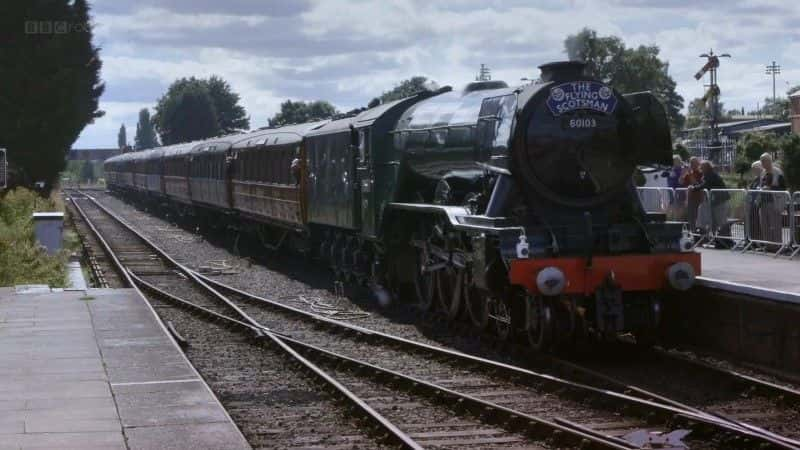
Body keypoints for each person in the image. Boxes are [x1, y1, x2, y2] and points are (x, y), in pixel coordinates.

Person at [690, 160, 730, 247]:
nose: (701, 168)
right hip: (714, 201)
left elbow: (706, 185)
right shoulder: (706, 175)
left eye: (702, 167)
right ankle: (717, 240)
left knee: (721, 221)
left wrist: (694, 188)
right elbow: (703, 185)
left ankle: (726, 241)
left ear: (707, 167)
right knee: (715, 222)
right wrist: (695, 186)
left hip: (720, 201)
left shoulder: (711, 175)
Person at [756, 153, 787, 247]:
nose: (762, 163)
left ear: (769, 161)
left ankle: (777, 246)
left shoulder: (778, 172)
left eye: (764, 161)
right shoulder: (762, 173)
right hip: (763, 202)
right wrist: (759, 188)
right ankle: (768, 245)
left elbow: (783, 188)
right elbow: (761, 185)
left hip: (774, 203)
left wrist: (771, 188)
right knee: (764, 225)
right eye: (761, 161)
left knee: (775, 225)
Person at [680, 156, 704, 233]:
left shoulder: (701, 173)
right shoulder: (689, 173)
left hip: (700, 199)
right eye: (691, 163)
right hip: (690, 199)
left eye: (695, 163)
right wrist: (682, 173)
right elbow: (680, 182)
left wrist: (690, 174)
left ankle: (702, 235)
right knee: (691, 218)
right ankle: (694, 234)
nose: (693, 165)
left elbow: (697, 184)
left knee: (700, 218)